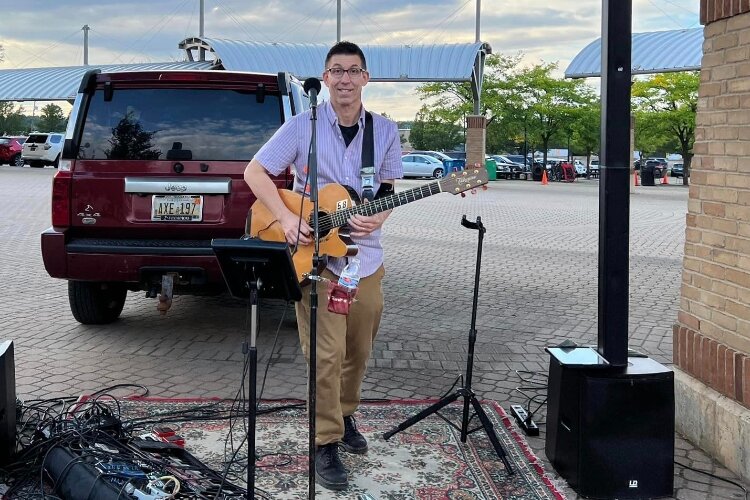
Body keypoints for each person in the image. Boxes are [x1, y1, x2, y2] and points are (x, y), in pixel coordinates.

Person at [243, 41, 403, 491]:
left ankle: (345, 413)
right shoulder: (303, 125)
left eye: (354, 70)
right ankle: (325, 440)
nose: (346, 78)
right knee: (325, 354)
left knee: (359, 350)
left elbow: (389, 187)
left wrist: (381, 214)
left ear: (366, 78)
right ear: (326, 78)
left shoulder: (386, 131)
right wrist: (290, 218)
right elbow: (255, 173)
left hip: (364, 262)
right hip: (315, 262)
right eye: (337, 70)